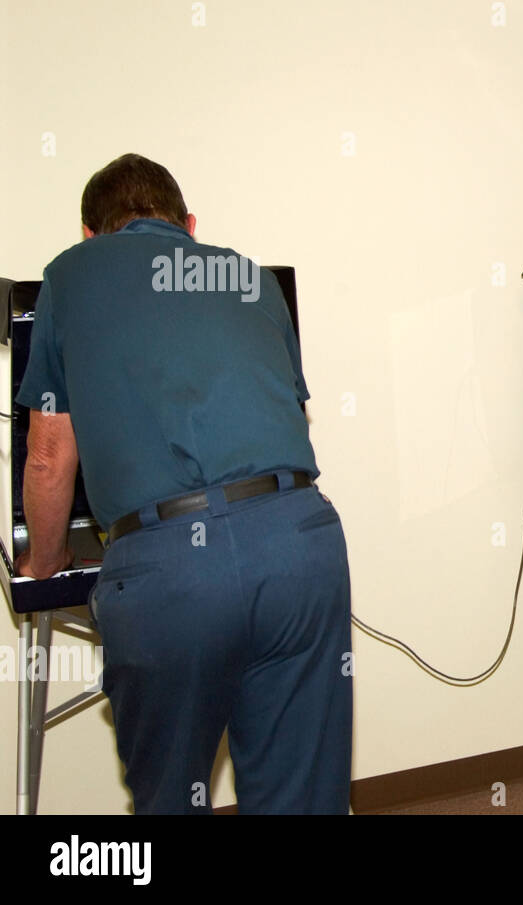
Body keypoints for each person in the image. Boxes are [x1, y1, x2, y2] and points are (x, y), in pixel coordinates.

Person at [16, 153, 353, 812]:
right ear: (189, 226)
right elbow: (283, 407)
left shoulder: (70, 275)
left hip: (167, 571)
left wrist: (45, 564)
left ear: (92, 235)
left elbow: (50, 459)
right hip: (300, 545)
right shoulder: (252, 279)